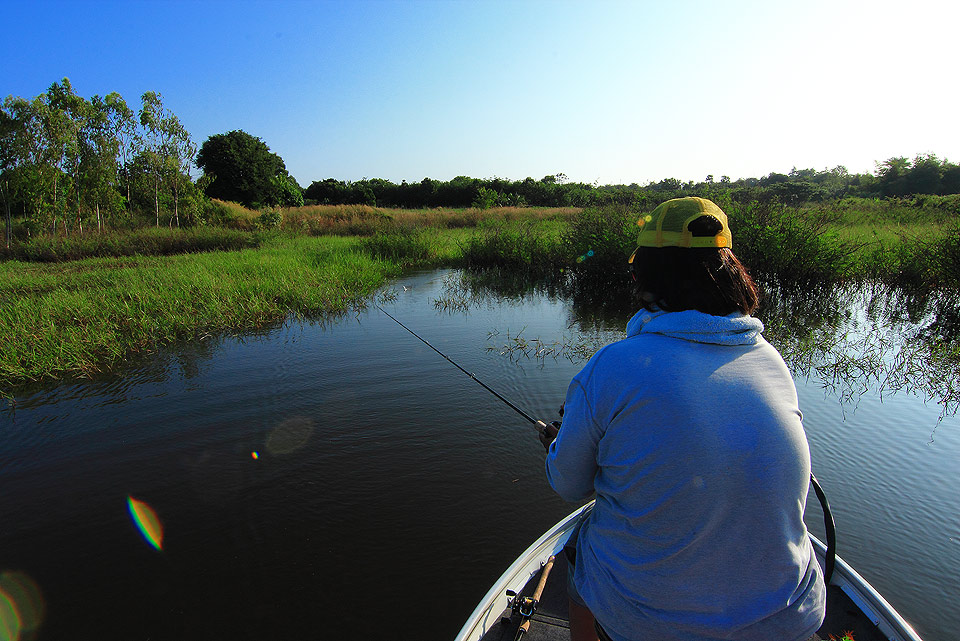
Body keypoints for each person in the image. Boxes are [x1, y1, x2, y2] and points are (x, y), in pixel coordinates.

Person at [539, 197, 826, 641]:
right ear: (728, 272)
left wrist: (557, 446)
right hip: (791, 614)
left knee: (579, 558)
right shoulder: (769, 359)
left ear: (646, 276)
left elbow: (568, 485)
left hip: (652, 624)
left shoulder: (614, 366)